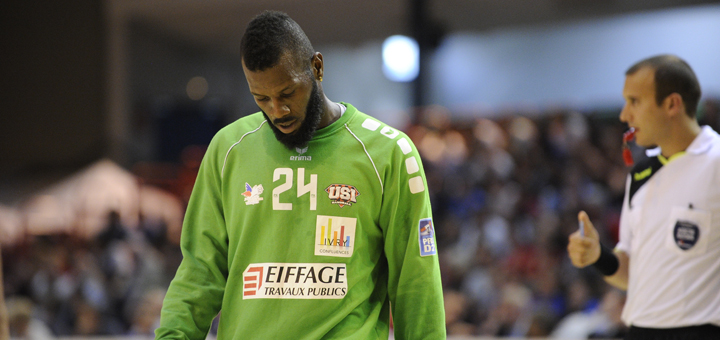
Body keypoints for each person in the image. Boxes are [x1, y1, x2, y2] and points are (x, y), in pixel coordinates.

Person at [155, 10, 445, 340]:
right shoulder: (228, 149)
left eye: (287, 93)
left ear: (317, 68)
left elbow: (416, 284)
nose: (277, 111)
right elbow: (200, 272)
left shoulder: (389, 153)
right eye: (261, 98)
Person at [567, 54, 720, 339]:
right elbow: (629, 274)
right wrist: (598, 255)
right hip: (639, 330)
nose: (625, 115)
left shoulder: (716, 162)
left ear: (672, 104)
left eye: (634, 101)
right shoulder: (640, 175)